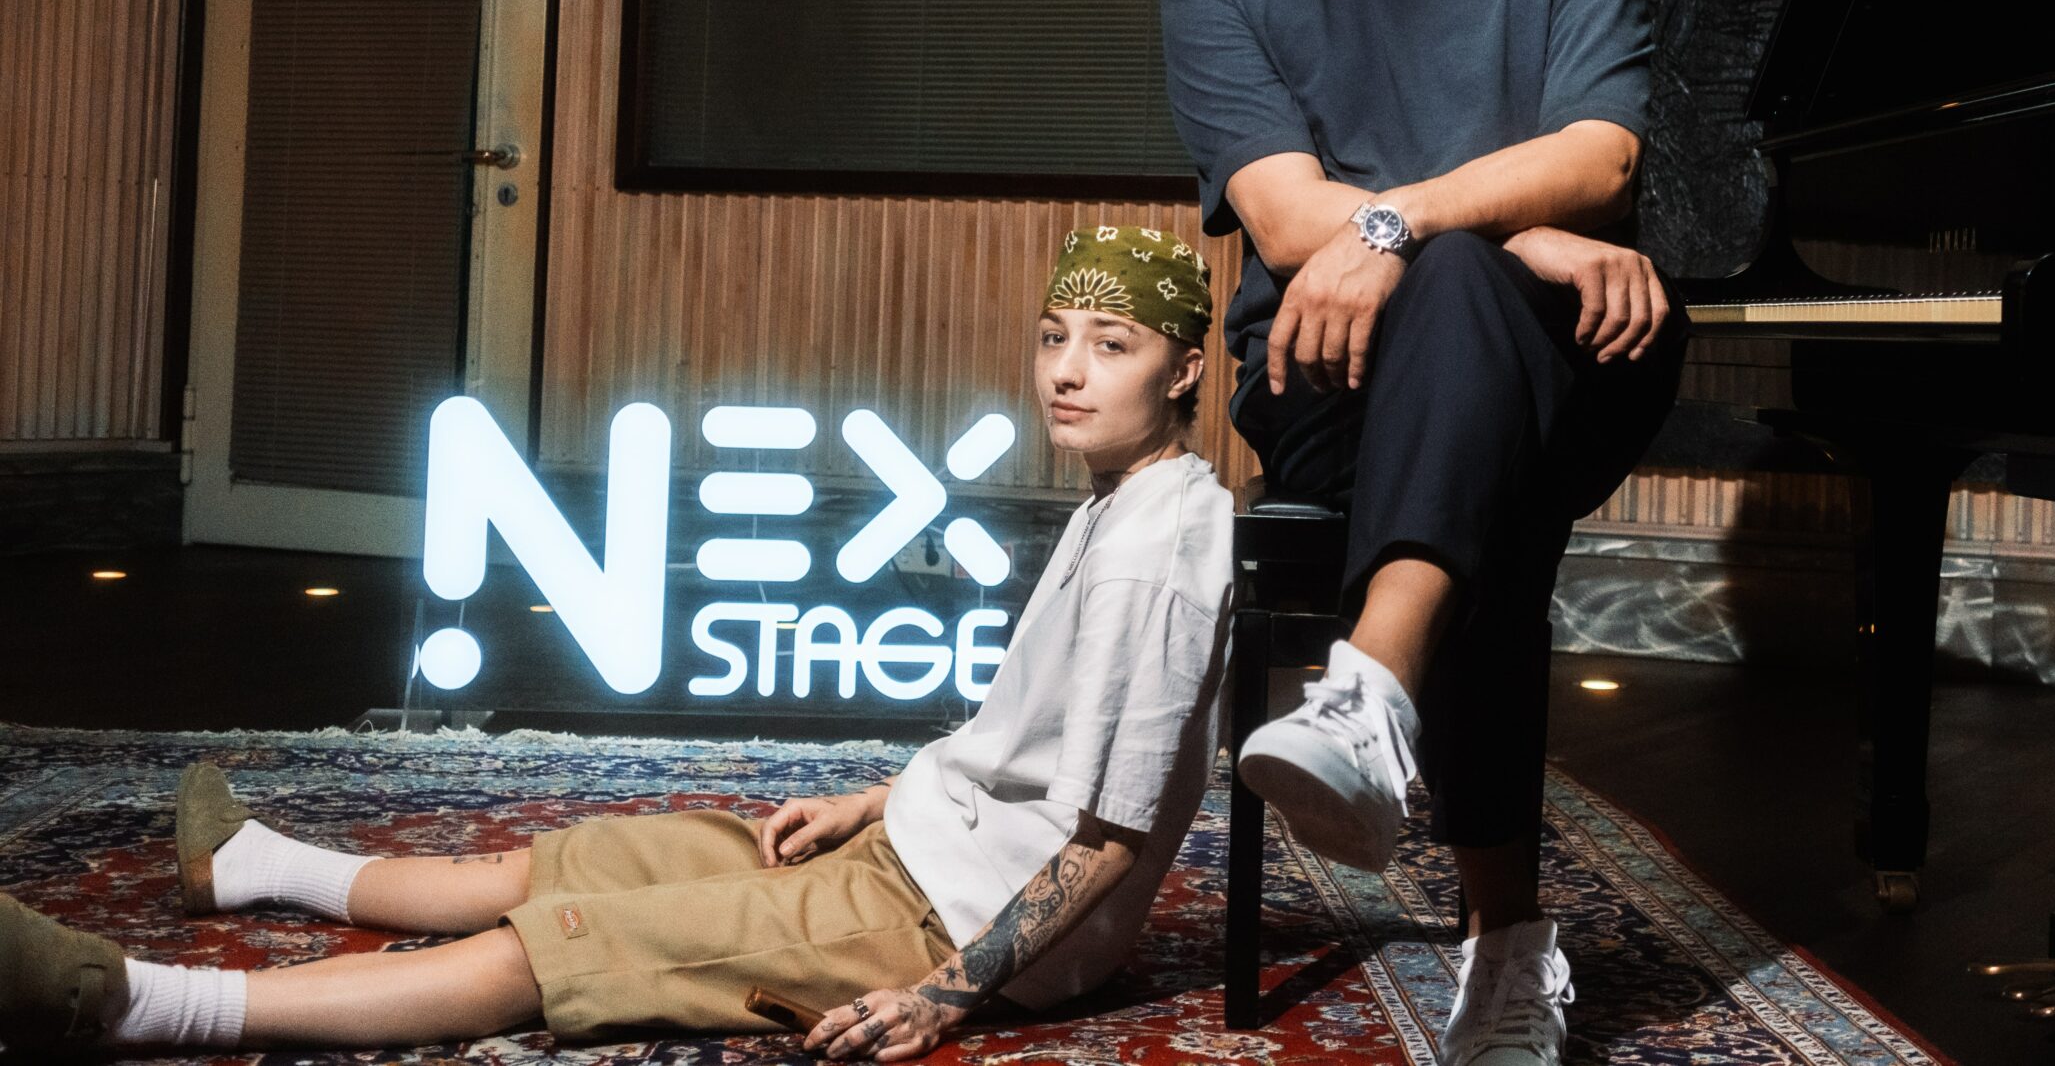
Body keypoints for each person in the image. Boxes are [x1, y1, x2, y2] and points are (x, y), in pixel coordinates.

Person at [0, 228, 1232, 1064]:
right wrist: (875, 801)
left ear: (1183, 371)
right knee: (566, 866)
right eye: (1053, 335)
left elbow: (1110, 835)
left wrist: (945, 992)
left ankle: (134, 1006)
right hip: (915, 850)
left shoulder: (1159, 549)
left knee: (561, 947)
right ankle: (253, 863)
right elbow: (1028, 748)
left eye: (1110, 345)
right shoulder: (1118, 497)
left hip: (950, 921)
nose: (1067, 373)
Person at [1159, 0, 1688, 1066]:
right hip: (1327, 373)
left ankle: (1369, 692)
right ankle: (1508, 939)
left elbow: (1603, 152)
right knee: (1479, 476)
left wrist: (1413, 227)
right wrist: (1511, 231)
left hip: (1580, 352)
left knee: (1457, 296)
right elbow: (1285, 220)